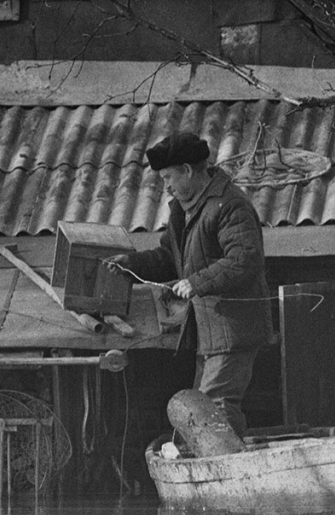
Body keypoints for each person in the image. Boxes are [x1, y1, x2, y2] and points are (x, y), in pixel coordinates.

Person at [107, 132, 272, 438]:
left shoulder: (229, 205)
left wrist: (197, 282)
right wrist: (131, 265)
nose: (166, 186)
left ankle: (225, 466)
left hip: (234, 330)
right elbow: (169, 257)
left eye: (168, 177)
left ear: (187, 170)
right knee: (204, 411)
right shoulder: (185, 209)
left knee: (214, 410)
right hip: (209, 333)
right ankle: (225, 462)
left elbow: (244, 259)